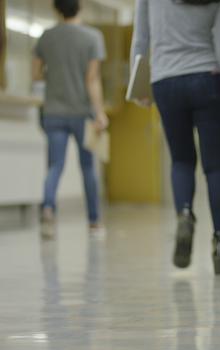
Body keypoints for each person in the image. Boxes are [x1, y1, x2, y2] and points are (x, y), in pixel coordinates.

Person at [130, 0, 220, 274]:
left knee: (181, 160)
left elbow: (140, 39)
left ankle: (185, 214)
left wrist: (138, 85)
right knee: (214, 166)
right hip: (207, 76)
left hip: (165, 80)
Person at [33, 0, 108, 239]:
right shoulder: (92, 37)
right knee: (87, 168)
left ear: (57, 10)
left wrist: (55, 77)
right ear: (80, 7)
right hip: (82, 113)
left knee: (55, 166)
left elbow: (35, 74)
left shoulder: (46, 36)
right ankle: (94, 222)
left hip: (53, 111)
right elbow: (92, 79)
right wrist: (99, 112)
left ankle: (47, 209)